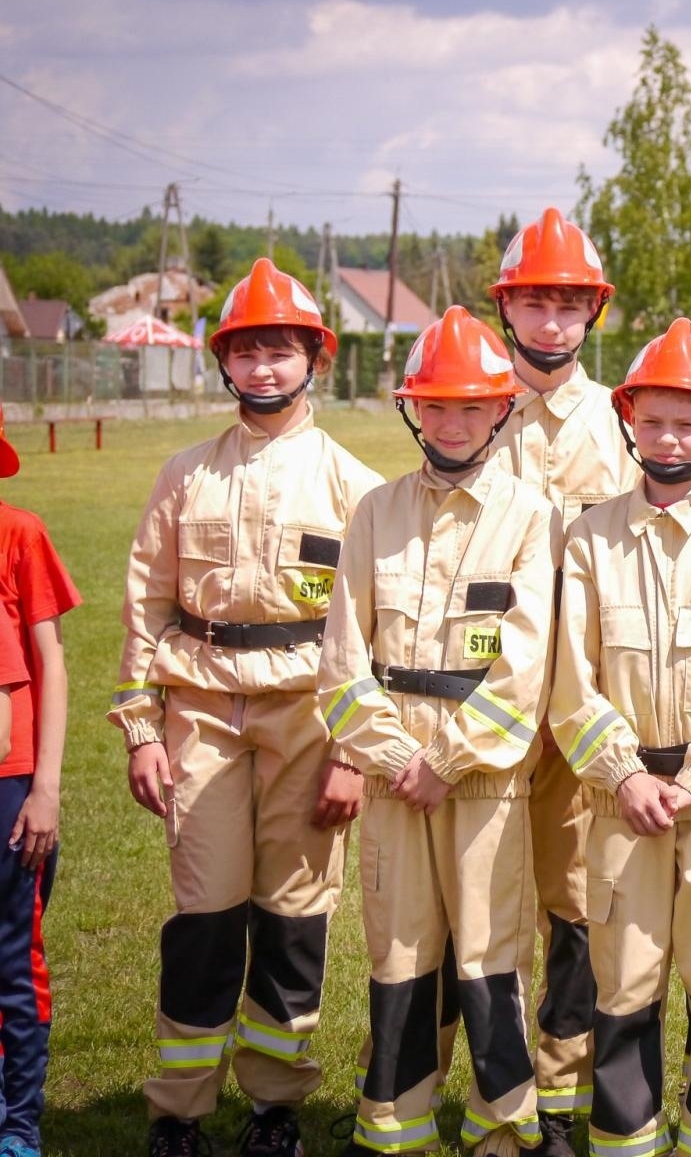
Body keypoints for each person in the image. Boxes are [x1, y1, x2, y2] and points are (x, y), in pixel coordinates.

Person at [110, 259, 382, 1157]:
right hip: (200, 715)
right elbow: (147, 603)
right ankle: (178, 1110)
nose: (265, 367)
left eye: (282, 350)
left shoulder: (354, 484)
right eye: (249, 351)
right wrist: (143, 729)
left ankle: (275, 1105)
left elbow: (374, 628)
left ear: (316, 358)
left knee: (295, 918)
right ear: (225, 363)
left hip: (310, 718)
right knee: (206, 916)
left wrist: (352, 752)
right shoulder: (184, 475)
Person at [319, 306, 560, 1156]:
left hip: (487, 781)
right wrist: (397, 759)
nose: (452, 422)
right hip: (394, 781)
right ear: (410, 409)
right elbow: (343, 663)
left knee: (492, 958)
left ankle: (503, 1128)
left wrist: (449, 760)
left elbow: (524, 668)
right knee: (399, 957)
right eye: (435, 405)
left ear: (501, 412)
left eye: (470, 406)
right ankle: (395, 1125)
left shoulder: (534, 518)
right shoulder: (374, 513)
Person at [550, 316, 691, 1157]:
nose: (669, 438)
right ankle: (625, 1142)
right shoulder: (588, 539)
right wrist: (622, 775)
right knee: (625, 982)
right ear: (628, 422)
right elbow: (570, 682)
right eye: (651, 420)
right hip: (621, 805)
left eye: (688, 422)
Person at [487, 207, 639, 1154]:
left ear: (593, 313)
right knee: (485, 905)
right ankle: (491, 1102)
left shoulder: (624, 419)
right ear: (507, 309)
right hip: (484, 707)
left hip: (584, 703)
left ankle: (563, 1097)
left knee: (578, 907)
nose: (551, 323)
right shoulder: (468, 404)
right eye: (535, 303)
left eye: (568, 304)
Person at [0, 402, 80, 1157]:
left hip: (11, 786)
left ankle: (16, 1127)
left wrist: (45, 788)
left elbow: (52, 663)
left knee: (11, 959)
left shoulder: (18, 532)